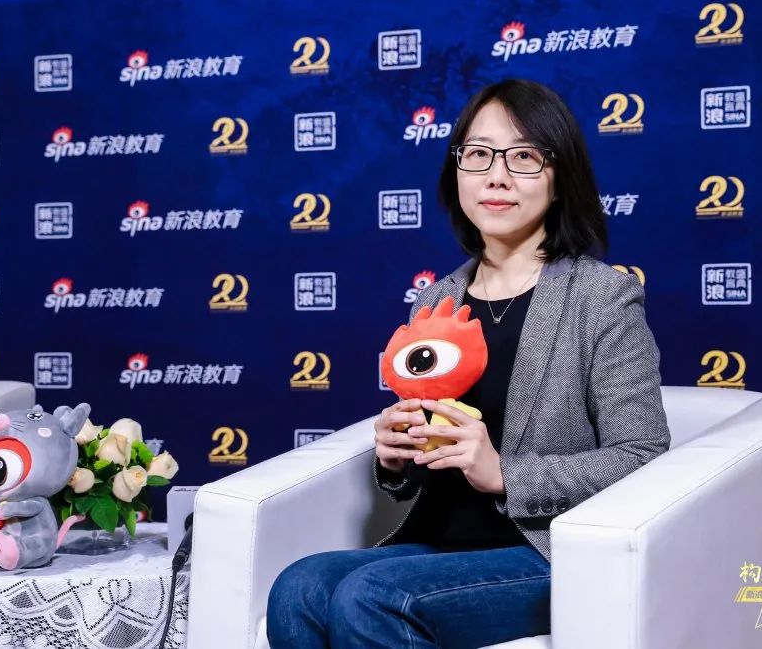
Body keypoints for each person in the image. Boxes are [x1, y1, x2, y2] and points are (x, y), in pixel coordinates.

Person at [266, 78, 671, 648]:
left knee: (371, 595)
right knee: (299, 587)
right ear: (456, 171)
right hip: (439, 542)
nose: (496, 176)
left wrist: (505, 473)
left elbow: (642, 454)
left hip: (540, 550)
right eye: (478, 154)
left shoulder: (600, 299)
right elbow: (427, 450)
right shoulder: (436, 301)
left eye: (523, 157)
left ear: (560, 178)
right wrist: (398, 458)